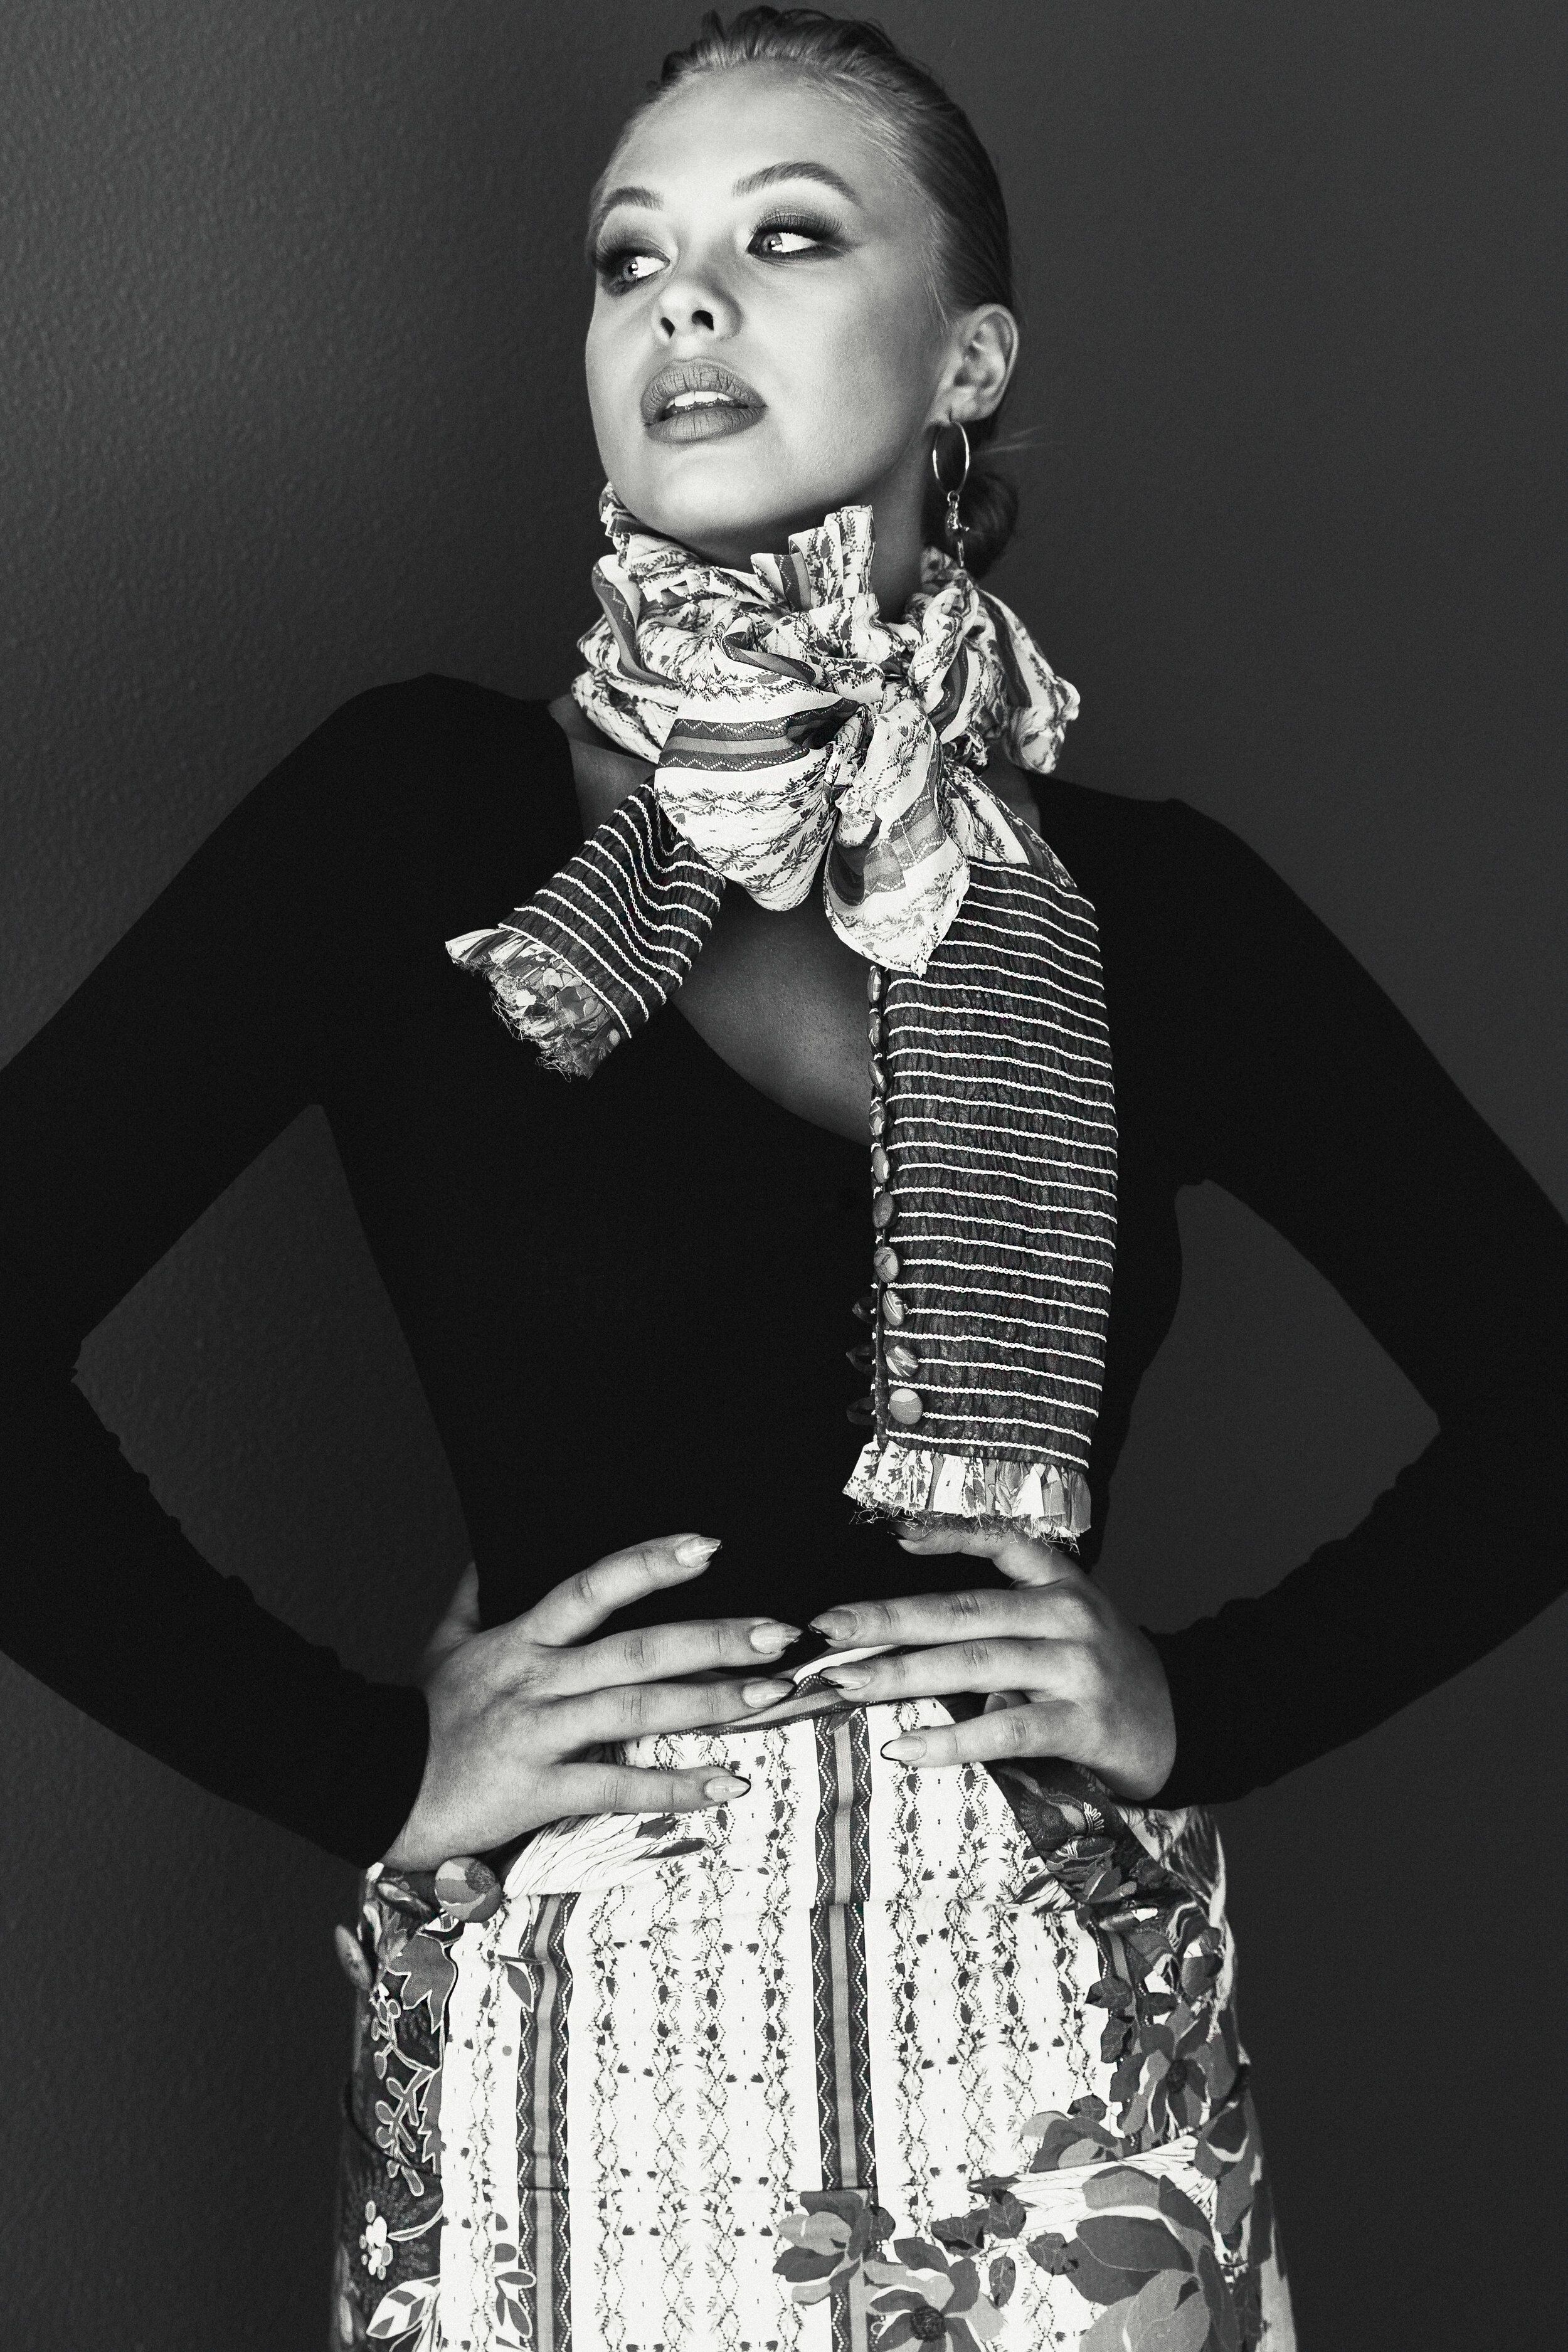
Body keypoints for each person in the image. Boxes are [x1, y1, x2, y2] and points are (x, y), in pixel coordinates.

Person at [2, 9, 1563, 2348]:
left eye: (789, 237)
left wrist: (1203, 1703)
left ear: (967, 361)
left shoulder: (1145, 917)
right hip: (578, 2053)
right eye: (627, 259)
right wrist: (364, 1763)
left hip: (1056, 2077)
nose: (683, 303)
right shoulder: (416, 823)